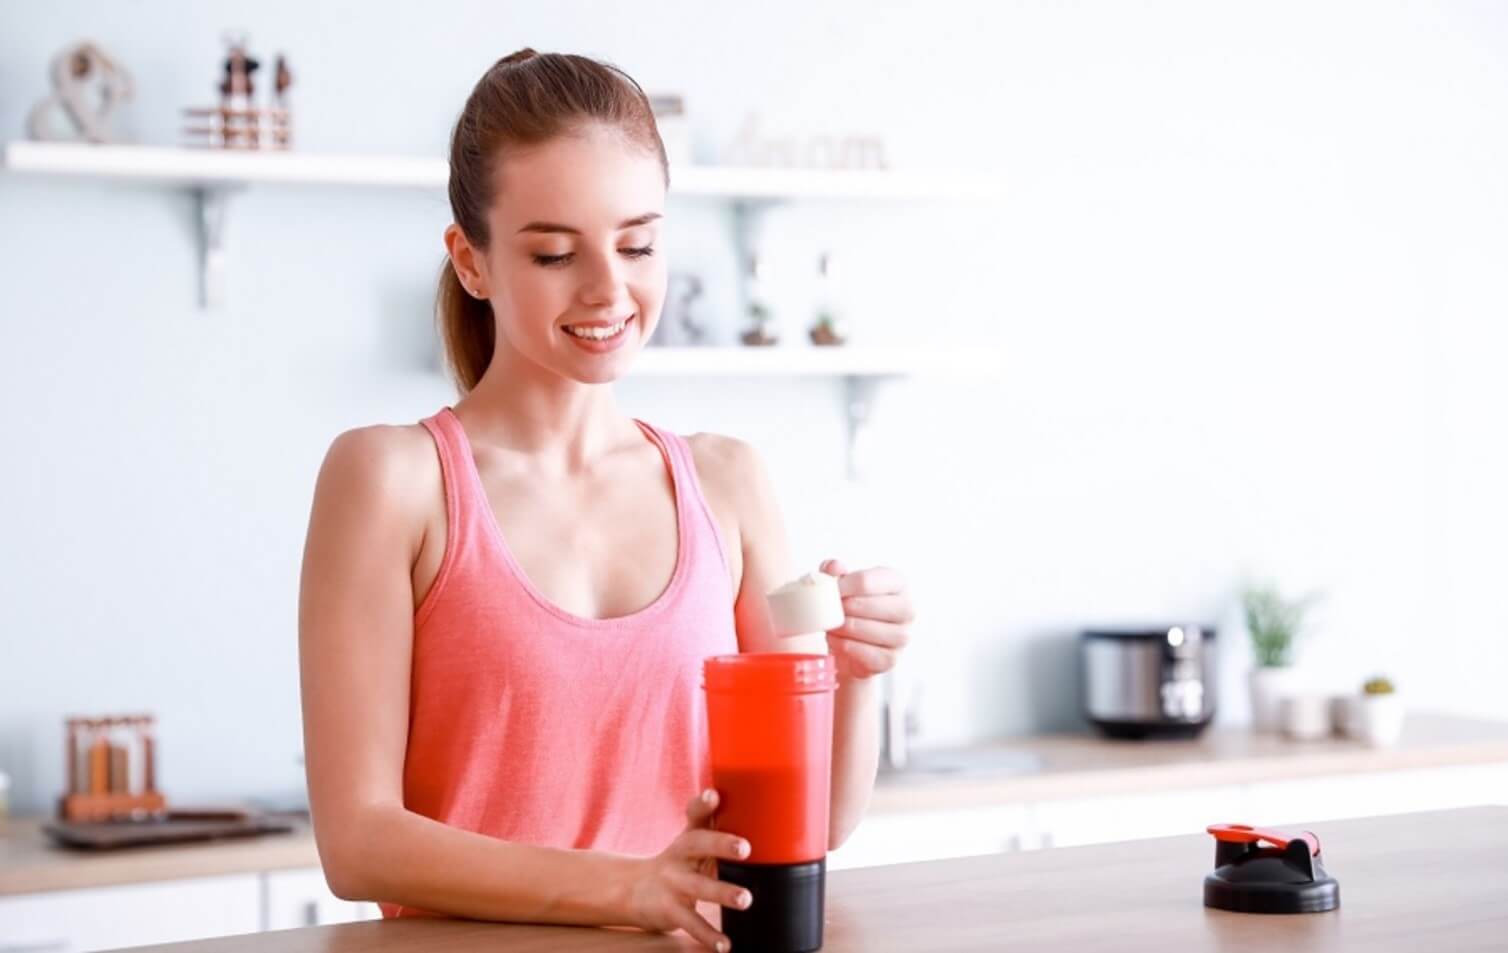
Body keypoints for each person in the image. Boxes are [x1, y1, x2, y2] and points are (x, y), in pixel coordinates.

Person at [297, 48, 914, 953]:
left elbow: (806, 826)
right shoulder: (391, 480)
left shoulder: (729, 482)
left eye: (638, 244)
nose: (607, 290)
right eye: (554, 252)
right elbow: (357, 842)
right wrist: (627, 887)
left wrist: (855, 676)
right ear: (471, 261)